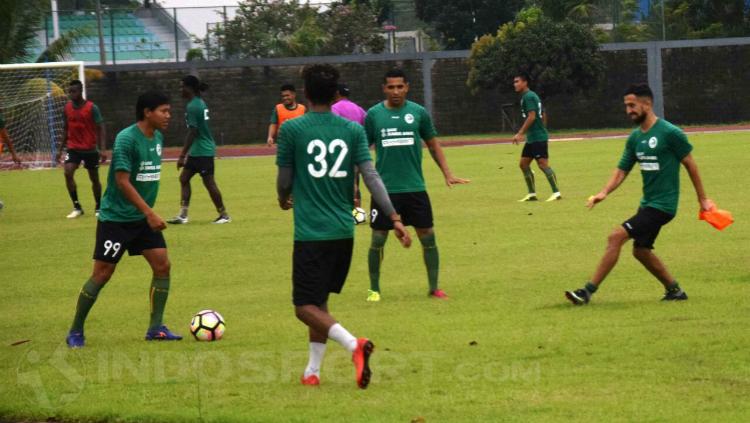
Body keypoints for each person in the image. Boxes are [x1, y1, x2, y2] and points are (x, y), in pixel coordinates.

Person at [276, 64, 411, 389]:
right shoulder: (352, 130)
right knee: (319, 302)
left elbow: (284, 181)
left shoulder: (292, 130)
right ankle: (313, 371)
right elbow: (371, 176)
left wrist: (283, 198)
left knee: (303, 307)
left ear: (305, 94)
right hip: (343, 232)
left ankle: (355, 346)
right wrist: (394, 217)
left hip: (311, 233)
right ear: (336, 94)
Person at [565, 84, 715, 305]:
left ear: (647, 104)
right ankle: (675, 291)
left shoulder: (670, 133)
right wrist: (603, 192)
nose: (628, 111)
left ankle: (586, 292)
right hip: (648, 204)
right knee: (641, 251)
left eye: (632, 105)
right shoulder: (635, 138)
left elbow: (690, 164)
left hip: (663, 206)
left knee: (616, 236)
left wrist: (702, 199)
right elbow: (622, 169)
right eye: (626, 106)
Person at [65, 91, 182, 348]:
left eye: (169, 111)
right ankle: (75, 330)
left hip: (141, 219)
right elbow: (121, 181)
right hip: (116, 219)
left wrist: (146, 214)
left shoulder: (158, 137)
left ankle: (155, 328)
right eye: (163, 111)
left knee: (162, 265)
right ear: (146, 112)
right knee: (102, 274)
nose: (168, 116)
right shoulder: (126, 139)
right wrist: (150, 212)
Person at [364, 68, 469, 302]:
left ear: (407, 87)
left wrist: (447, 174)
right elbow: (362, 150)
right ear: (384, 88)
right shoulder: (373, 115)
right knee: (378, 238)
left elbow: (433, 144)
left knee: (428, 236)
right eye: (390, 87)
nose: (395, 91)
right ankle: (374, 290)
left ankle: (434, 288)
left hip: (415, 188)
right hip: (384, 189)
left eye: (400, 86)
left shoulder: (418, 113)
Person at [167, 75, 230, 225]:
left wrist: (182, 155)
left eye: (182, 86)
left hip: (203, 151)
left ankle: (224, 215)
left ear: (190, 88)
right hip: (198, 150)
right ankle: (183, 215)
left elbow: (193, 131)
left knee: (209, 183)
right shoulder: (198, 103)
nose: (180, 90)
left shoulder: (193, 106)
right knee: (184, 178)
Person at [55, 80, 107, 218]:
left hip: (90, 149)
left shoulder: (92, 108)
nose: (71, 94)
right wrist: (60, 150)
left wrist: (102, 149)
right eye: (69, 91)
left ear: (81, 91)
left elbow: (101, 127)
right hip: (73, 148)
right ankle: (77, 207)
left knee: (94, 179)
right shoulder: (67, 108)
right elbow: (65, 129)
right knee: (67, 173)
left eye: (74, 91)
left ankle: (98, 207)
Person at [512, 73, 561, 202]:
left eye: (517, 81)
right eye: (514, 82)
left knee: (543, 164)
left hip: (537, 137)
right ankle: (532, 194)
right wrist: (543, 128)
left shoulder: (528, 96)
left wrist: (520, 133)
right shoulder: (530, 96)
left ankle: (556, 193)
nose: (515, 84)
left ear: (525, 82)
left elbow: (532, 116)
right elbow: (543, 113)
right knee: (523, 164)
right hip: (533, 137)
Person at [331, 83, 367, 206]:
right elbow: (366, 126)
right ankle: (358, 211)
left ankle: (346, 210)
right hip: (358, 151)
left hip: (342, 152)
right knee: (356, 181)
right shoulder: (359, 108)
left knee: (343, 183)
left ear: (337, 93)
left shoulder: (334, 108)